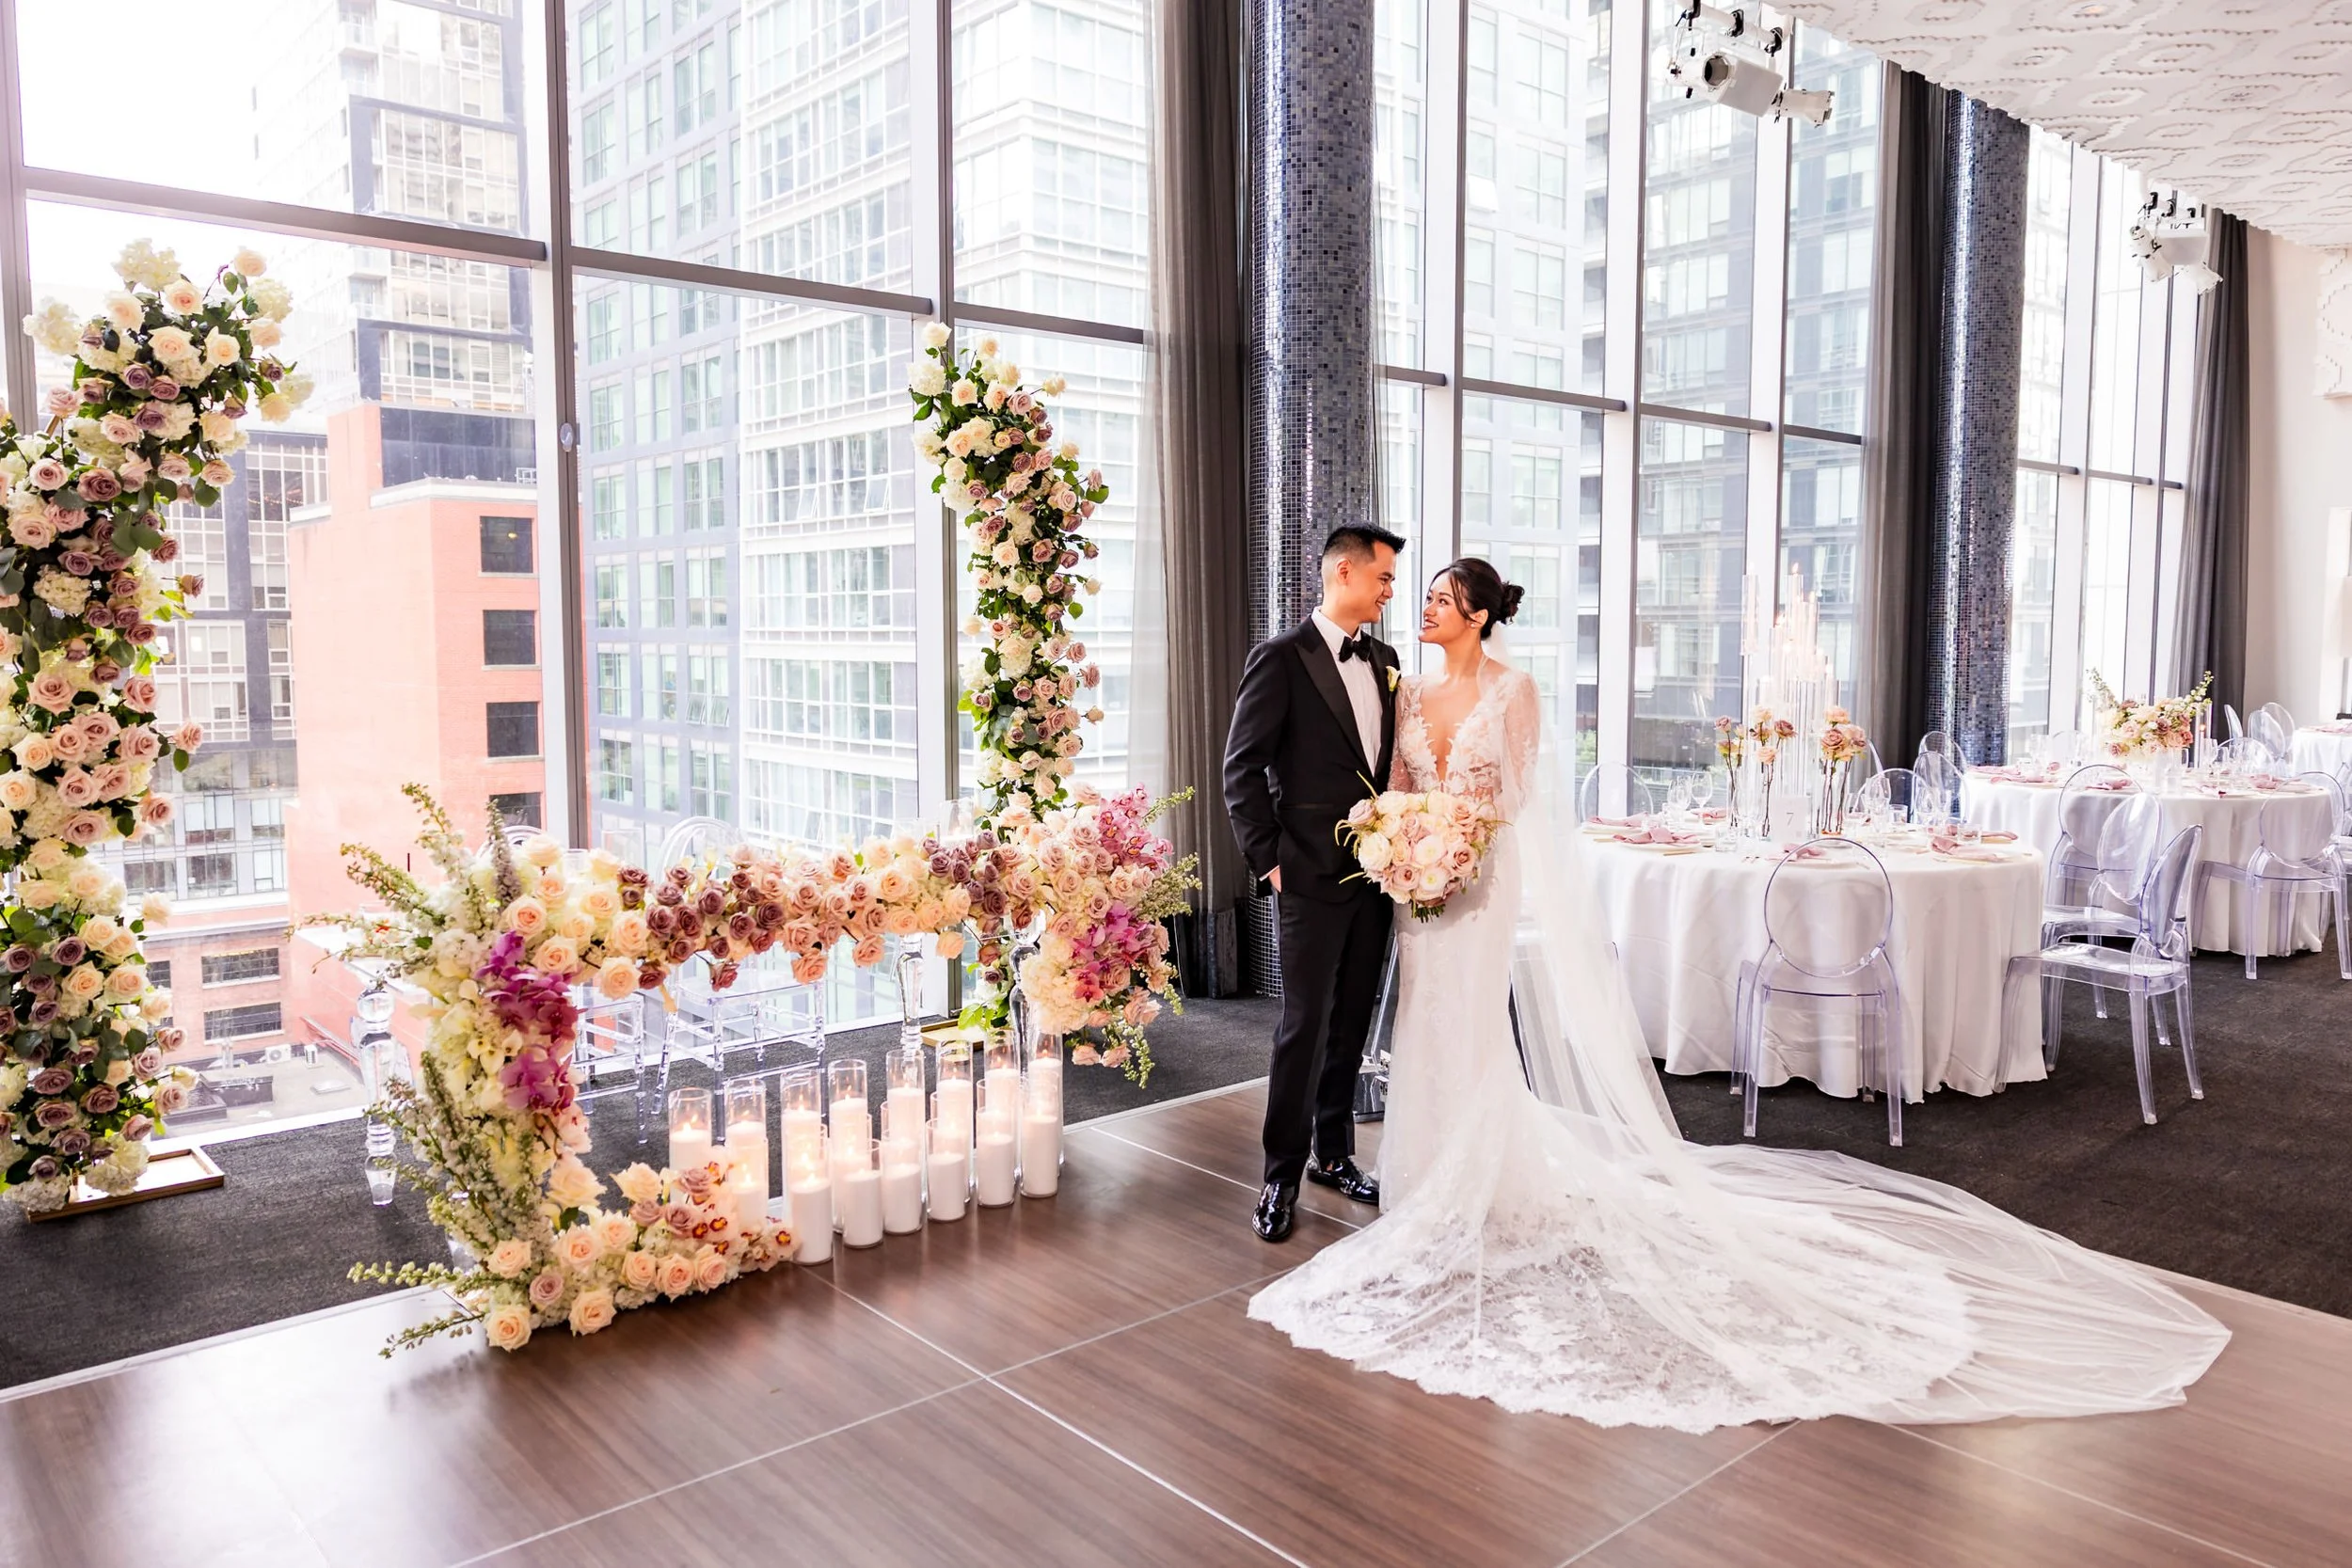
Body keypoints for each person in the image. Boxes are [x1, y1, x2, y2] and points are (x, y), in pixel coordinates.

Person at [1247, 557, 2230, 1431]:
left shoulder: (1516, 688)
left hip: (1479, 878)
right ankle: (1416, 1176)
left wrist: (1458, 833)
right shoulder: (1402, 686)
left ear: (1476, 613)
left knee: (1470, 1026)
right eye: (1407, 593)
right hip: (1415, 887)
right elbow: (1370, 775)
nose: (1416, 606)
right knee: (1420, 1023)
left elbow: (1515, 798)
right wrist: (1410, 840)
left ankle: (1483, 1181)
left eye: (1434, 597)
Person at [1222, 524, 1405, 1243]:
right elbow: (1241, 768)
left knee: (1351, 1024)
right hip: (1306, 872)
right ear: (1344, 574)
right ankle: (1280, 1173)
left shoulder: (1386, 660)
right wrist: (1271, 861)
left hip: (1377, 876)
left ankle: (1336, 1153)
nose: (1391, 591)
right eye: (1384, 577)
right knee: (1302, 1026)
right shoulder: (1281, 658)